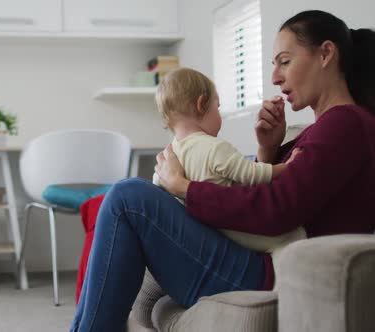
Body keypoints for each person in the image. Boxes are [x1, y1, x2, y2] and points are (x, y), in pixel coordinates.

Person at [70, 10, 375, 332]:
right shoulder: (329, 128)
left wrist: (183, 187)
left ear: (326, 54)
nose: (275, 76)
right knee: (125, 197)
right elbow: (278, 197)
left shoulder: (345, 124)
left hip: (268, 273)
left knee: (128, 197)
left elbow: (277, 211)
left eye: (284, 61)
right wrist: (267, 150)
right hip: (261, 260)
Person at [151, 67, 305, 256]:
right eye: (218, 106)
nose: (219, 113)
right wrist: (287, 167)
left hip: (202, 236)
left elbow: (156, 189)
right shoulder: (214, 148)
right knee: (293, 235)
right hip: (235, 230)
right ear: (201, 105)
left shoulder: (169, 156)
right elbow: (251, 174)